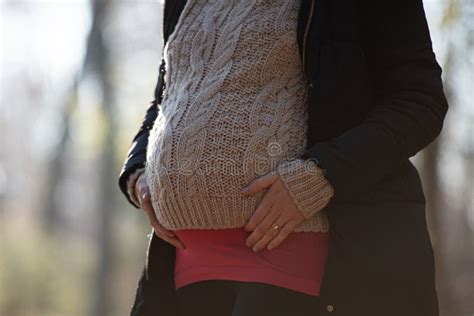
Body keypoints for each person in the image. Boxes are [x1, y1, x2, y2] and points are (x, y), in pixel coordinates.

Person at [118, 1, 449, 315]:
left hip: (300, 254)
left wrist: (321, 175)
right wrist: (139, 173)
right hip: (184, 263)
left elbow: (419, 102)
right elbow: (169, 95)